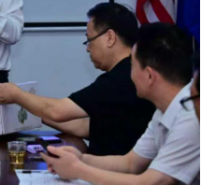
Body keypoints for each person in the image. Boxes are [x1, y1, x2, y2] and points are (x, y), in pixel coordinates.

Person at [0, 3, 155, 156]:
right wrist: (30, 110)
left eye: (89, 40)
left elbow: (57, 111)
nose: (88, 49)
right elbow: (85, 127)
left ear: (110, 38)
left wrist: (15, 94)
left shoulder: (120, 78)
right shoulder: (128, 71)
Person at [42, 23, 201, 185]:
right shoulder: (163, 110)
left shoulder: (191, 115)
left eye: (132, 66)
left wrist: (77, 169)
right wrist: (81, 159)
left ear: (149, 76)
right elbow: (130, 164)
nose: (129, 74)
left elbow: (151, 182)